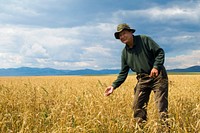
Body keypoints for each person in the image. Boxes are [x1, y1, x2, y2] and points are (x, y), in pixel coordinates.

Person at [104, 23, 168, 123]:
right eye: (120, 35)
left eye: (124, 33)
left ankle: (165, 129)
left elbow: (160, 52)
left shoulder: (144, 39)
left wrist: (156, 67)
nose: (122, 37)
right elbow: (123, 72)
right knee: (137, 106)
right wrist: (113, 86)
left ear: (131, 32)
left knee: (161, 107)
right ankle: (141, 129)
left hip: (158, 77)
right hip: (142, 79)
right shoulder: (125, 53)